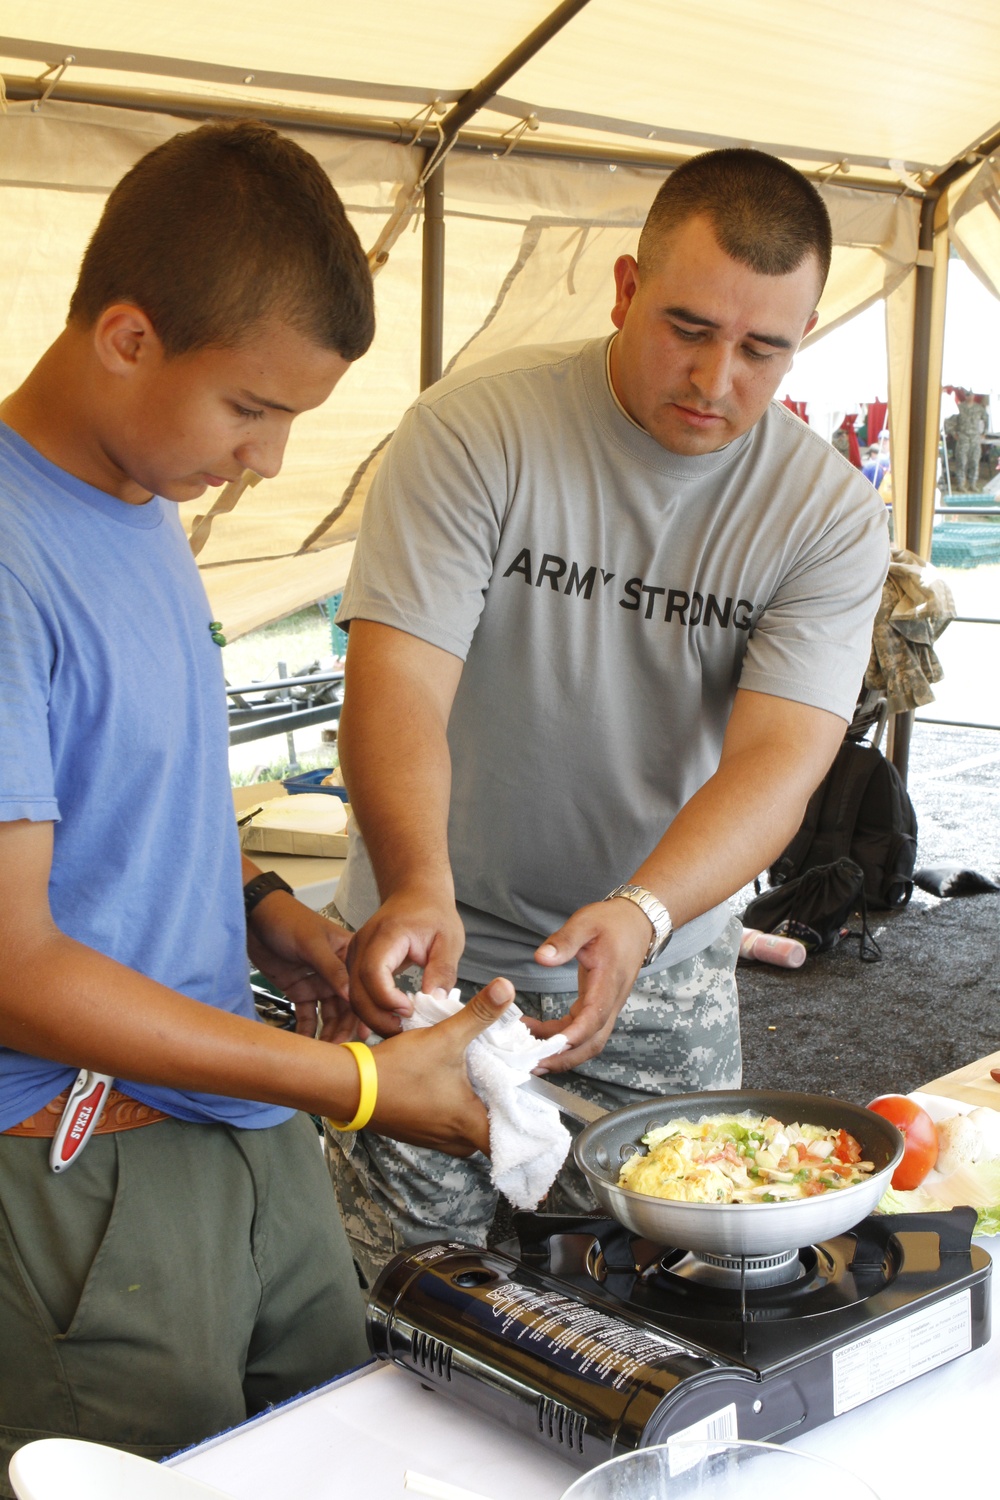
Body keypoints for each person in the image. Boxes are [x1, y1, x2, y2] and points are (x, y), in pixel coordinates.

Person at [0, 120, 516, 1489]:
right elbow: (18, 971)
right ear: (125, 336)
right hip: (83, 1172)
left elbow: (126, 805)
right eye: (252, 410)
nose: (271, 463)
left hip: (240, 1124)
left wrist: (269, 913)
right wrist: (354, 1081)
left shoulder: (138, 500)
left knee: (341, 1453)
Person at [323, 147, 890, 1282]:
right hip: (430, 956)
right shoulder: (475, 429)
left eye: (762, 349)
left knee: (667, 1287)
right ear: (625, 290)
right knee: (403, 1301)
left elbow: (780, 760)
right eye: (687, 326)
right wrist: (416, 883)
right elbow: (396, 687)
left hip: (655, 970)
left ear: (800, 339)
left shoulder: (825, 514)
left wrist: (642, 911)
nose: (717, 377)